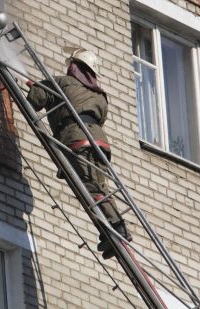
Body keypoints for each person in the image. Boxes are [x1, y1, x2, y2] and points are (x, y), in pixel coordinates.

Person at [26, 49, 131, 259]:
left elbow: (35, 100)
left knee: (90, 188)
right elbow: (98, 119)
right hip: (99, 144)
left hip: (77, 139)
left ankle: (117, 228)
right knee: (98, 186)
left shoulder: (62, 82)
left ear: (74, 66)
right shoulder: (100, 96)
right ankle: (109, 232)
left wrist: (33, 89)